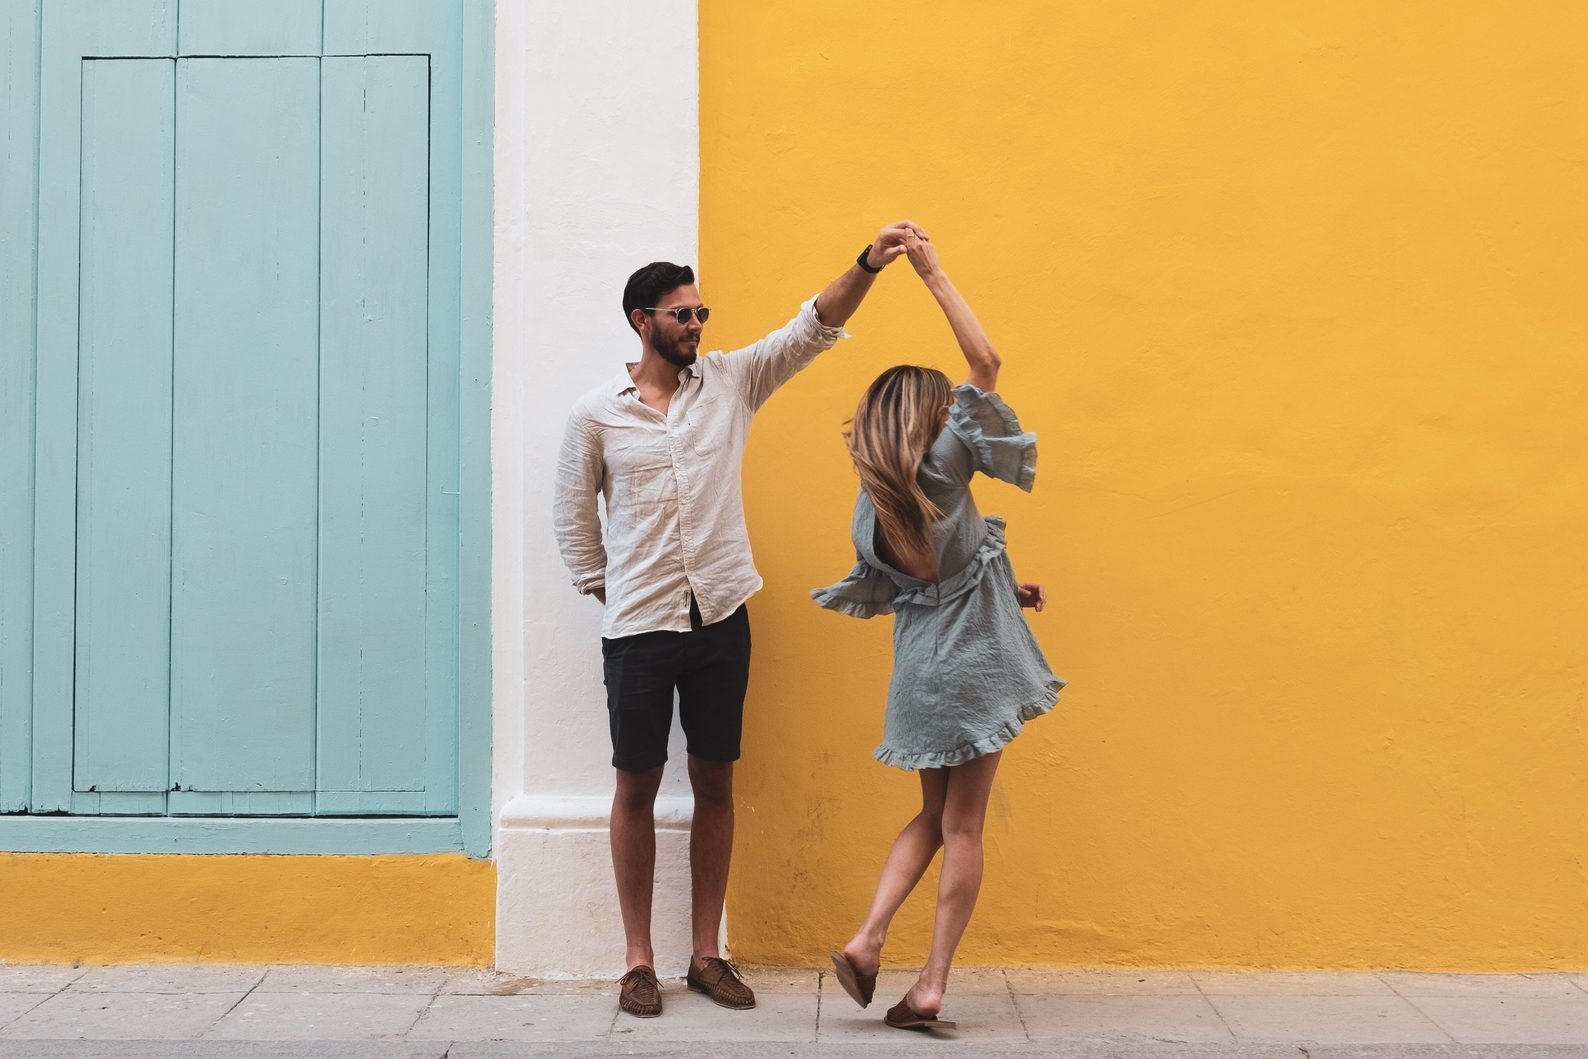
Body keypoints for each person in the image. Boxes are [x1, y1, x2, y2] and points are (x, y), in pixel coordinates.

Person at [553, 221, 925, 1019]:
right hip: (641, 628)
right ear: (641, 320)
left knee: (716, 781)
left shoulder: (730, 382)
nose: (695, 325)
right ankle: (638, 960)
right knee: (636, 786)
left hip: (721, 615)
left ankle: (706, 953)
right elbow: (572, 516)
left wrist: (868, 262)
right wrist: (602, 588)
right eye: (681, 314)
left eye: (700, 313)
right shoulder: (597, 415)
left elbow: (812, 328)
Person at [813, 233, 1064, 1032]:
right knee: (963, 827)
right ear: (927, 419)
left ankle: (865, 937)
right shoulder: (944, 470)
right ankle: (930, 984)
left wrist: (1005, 583)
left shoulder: (871, 508)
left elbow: (933, 577)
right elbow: (985, 364)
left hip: (921, 672)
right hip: (975, 667)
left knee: (929, 817)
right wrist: (930, 272)